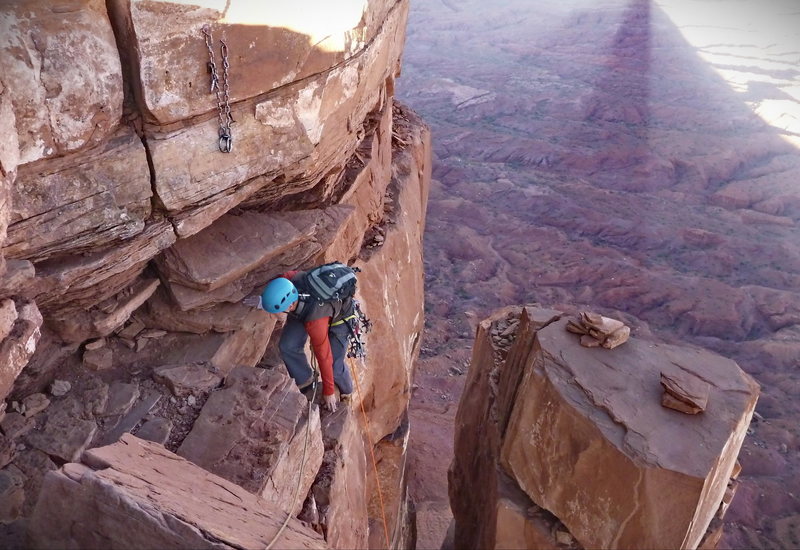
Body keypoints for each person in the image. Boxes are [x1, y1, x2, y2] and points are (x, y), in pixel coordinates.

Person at [256, 268, 355, 412]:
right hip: (303, 309)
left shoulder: (315, 322)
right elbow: (279, 283)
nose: (273, 316)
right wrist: (263, 301)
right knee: (287, 346)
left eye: (275, 312)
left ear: (289, 306)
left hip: (341, 318)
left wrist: (329, 391)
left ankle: (346, 392)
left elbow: (324, 356)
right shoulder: (290, 280)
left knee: (334, 367)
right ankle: (306, 383)